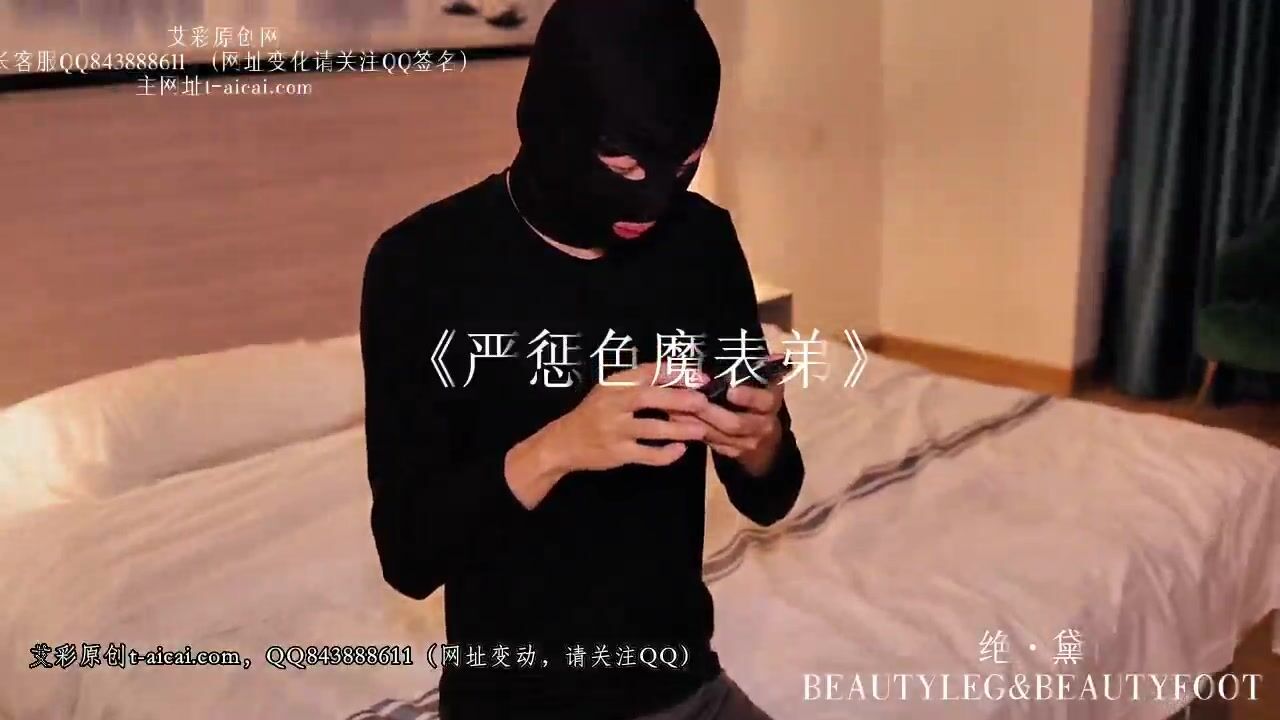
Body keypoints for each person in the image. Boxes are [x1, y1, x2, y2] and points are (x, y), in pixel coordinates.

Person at [359, 1, 805, 717]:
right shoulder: (422, 266)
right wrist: (561, 447)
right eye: (624, 164)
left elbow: (769, 496)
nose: (654, 201)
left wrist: (761, 441)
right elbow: (408, 555)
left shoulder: (701, 242)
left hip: (684, 684)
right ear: (553, 121)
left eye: (683, 165)